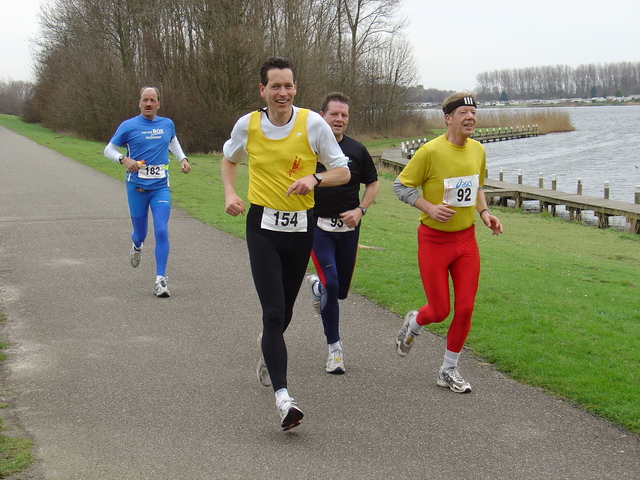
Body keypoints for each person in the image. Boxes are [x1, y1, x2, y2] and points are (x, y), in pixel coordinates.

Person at [221, 57, 350, 430]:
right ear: (262, 90)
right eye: (275, 86)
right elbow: (229, 160)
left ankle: (267, 347)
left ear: (295, 88)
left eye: (288, 85)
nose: (283, 92)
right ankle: (283, 399)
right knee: (274, 312)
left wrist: (315, 179)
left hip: (301, 228)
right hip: (262, 227)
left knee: (284, 314)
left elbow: (343, 170)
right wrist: (230, 192)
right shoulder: (248, 125)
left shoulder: (313, 123)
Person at [393, 92, 503, 393]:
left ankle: (448, 370)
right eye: (464, 112)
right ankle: (415, 321)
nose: (470, 117)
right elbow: (400, 186)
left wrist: (485, 213)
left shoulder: (478, 150)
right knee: (440, 310)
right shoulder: (429, 152)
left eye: (473, 113)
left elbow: (477, 185)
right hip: (434, 241)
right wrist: (428, 207)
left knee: (465, 308)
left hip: (466, 241)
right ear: (448, 118)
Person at [305, 92, 379, 374]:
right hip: (318, 227)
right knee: (333, 284)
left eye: (343, 115)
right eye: (333, 114)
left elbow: (372, 185)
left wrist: (361, 210)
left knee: (340, 291)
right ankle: (334, 349)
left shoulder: (357, 150)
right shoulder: (309, 149)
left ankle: (316, 287)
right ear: (322, 116)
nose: (338, 119)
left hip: (348, 230)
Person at [104, 87, 191, 297]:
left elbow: (172, 141)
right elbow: (108, 149)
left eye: (152, 100)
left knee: (161, 230)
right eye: (145, 100)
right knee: (141, 233)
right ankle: (136, 244)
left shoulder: (167, 124)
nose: (149, 103)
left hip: (160, 187)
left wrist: (183, 159)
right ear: (140, 103)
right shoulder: (129, 126)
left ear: (158, 104)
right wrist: (124, 160)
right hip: (137, 187)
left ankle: (160, 280)